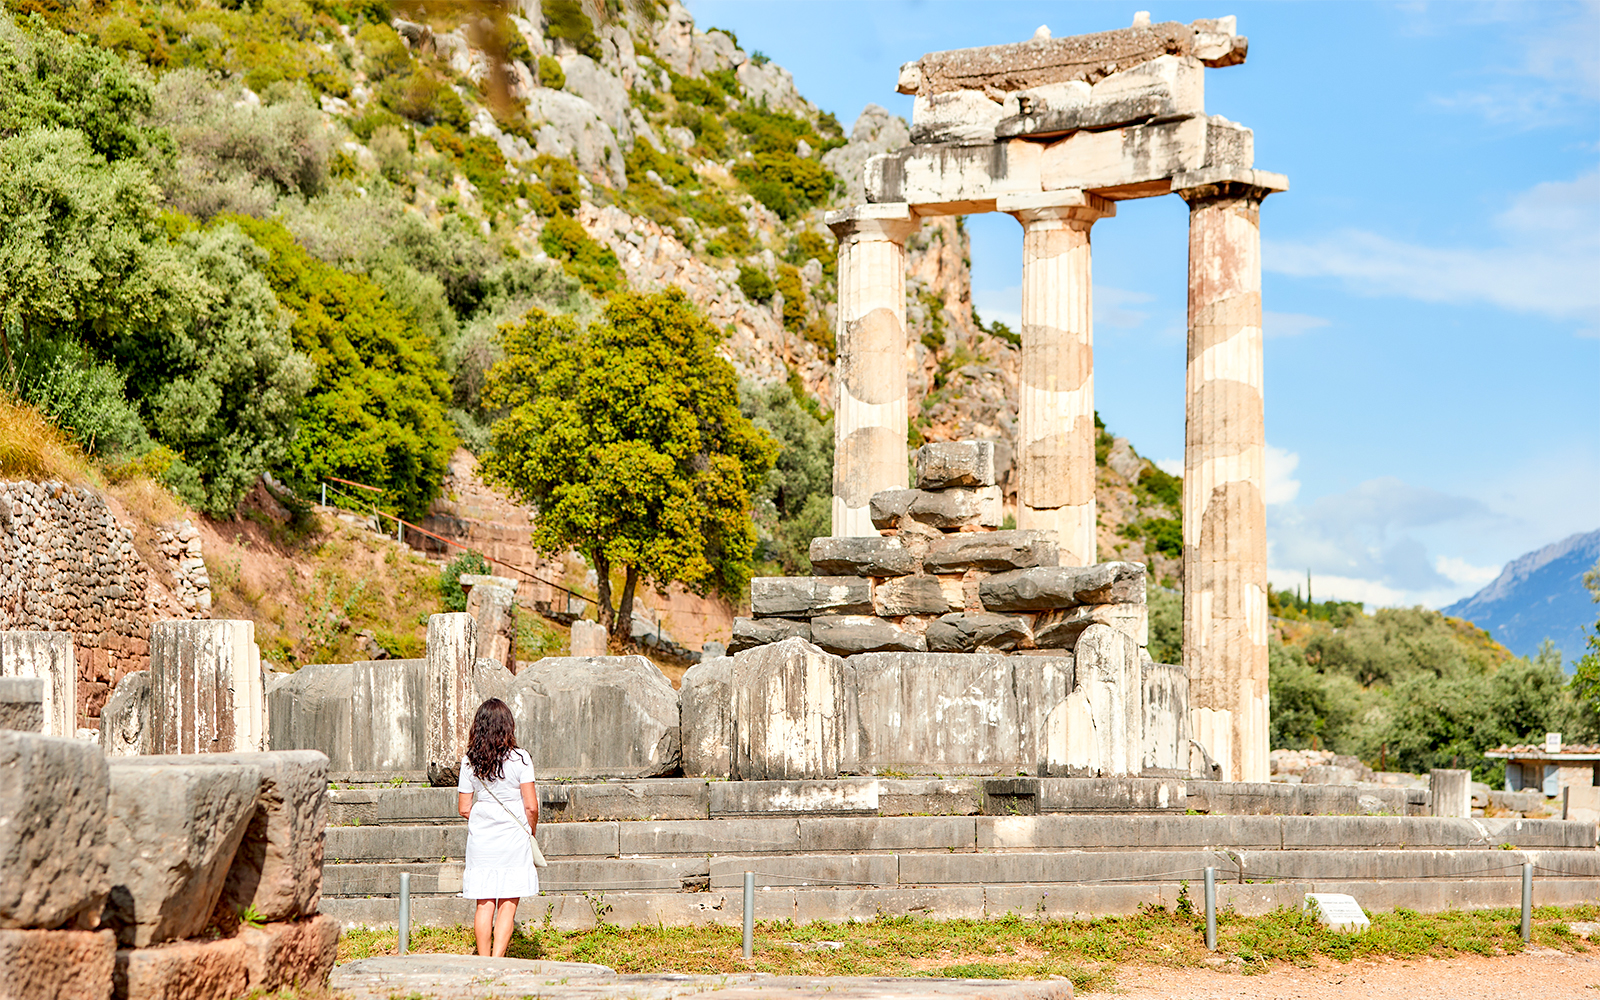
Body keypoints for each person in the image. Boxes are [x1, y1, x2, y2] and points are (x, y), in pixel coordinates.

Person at [456, 697, 538, 957]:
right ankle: (498, 960)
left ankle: (482, 960)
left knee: (484, 902)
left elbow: (464, 807)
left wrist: (484, 823)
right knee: (509, 900)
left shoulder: (469, 761)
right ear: (508, 726)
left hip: (482, 840)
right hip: (513, 838)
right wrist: (530, 830)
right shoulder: (521, 759)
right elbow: (531, 806)